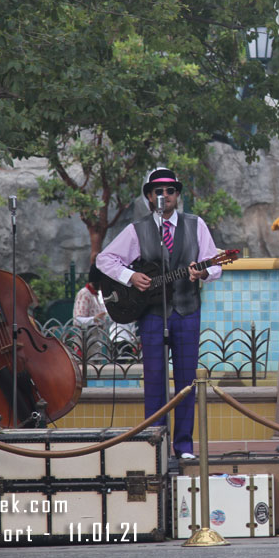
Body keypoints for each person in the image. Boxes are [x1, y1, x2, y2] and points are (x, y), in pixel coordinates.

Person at [96, 168, 224, 460]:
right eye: (157, 191)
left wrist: (203, 271)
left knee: (186, 381)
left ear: (177, 195)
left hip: (187, 310)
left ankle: (184, 446)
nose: (163, 195)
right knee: (154, 379)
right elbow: (105, 259)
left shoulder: (196, 224)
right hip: (152, 313)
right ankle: (156, 444)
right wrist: (130, 277)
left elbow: (215, 263)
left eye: (168, 190)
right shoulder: (137, 228)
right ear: (150, 197)